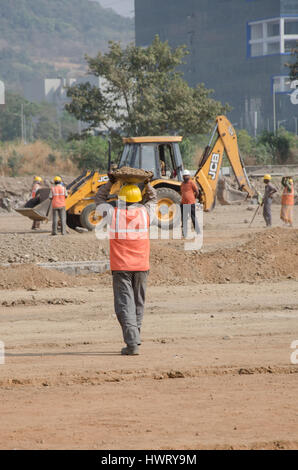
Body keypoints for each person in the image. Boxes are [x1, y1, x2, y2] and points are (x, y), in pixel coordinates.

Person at [95, 174, 157, 356]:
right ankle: (135, 337)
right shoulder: (145, 214)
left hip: (121, 267)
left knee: (124, 304)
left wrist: (110, 183)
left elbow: (98, 199)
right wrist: (148, 184)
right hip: (141, 266)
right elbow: (153, 199)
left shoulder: (113, 214)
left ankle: (132, 343)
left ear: (121, 198)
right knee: (138, 303)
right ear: (139, 199)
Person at [180, 169, 200, 237]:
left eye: (187, 176)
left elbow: (197, 192)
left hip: (191, 204)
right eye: (184, 176)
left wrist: (193, 198)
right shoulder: (182, 184)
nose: (185, 177)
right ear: (183, 177)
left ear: (189, 176)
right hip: (183, 204)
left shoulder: (191, 183)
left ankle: (198, 232)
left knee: (193, 218)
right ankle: (184, 234)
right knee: (184, 219)